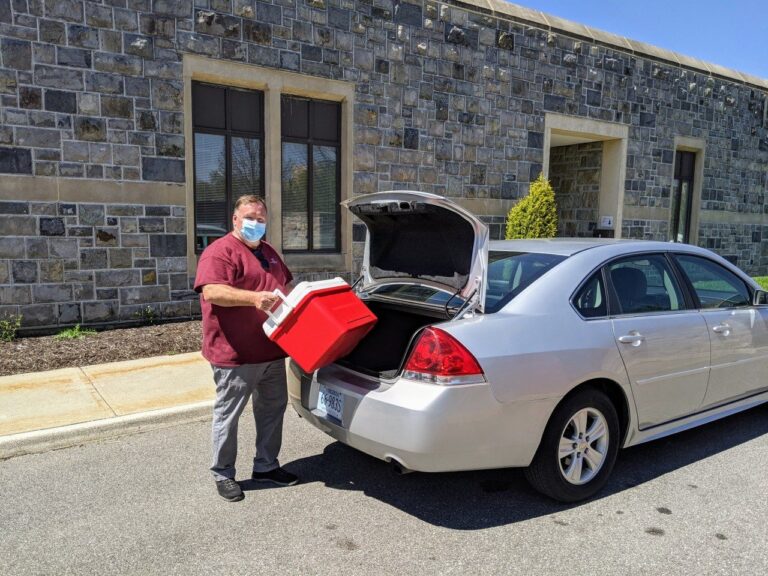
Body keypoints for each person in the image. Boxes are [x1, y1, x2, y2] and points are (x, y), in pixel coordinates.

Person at [194, 194, 299, 502]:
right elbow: (213, 291)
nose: (256, 223)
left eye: (261, 219)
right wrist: (254, 298)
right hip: (235, 354)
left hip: (271, 350)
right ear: (235, 220)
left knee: (272, 410)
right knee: (229, 415)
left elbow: (287, 286)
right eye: (250, 217)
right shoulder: (220, 252)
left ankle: (266, 466)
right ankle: (223, 473)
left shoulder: (269, 251)